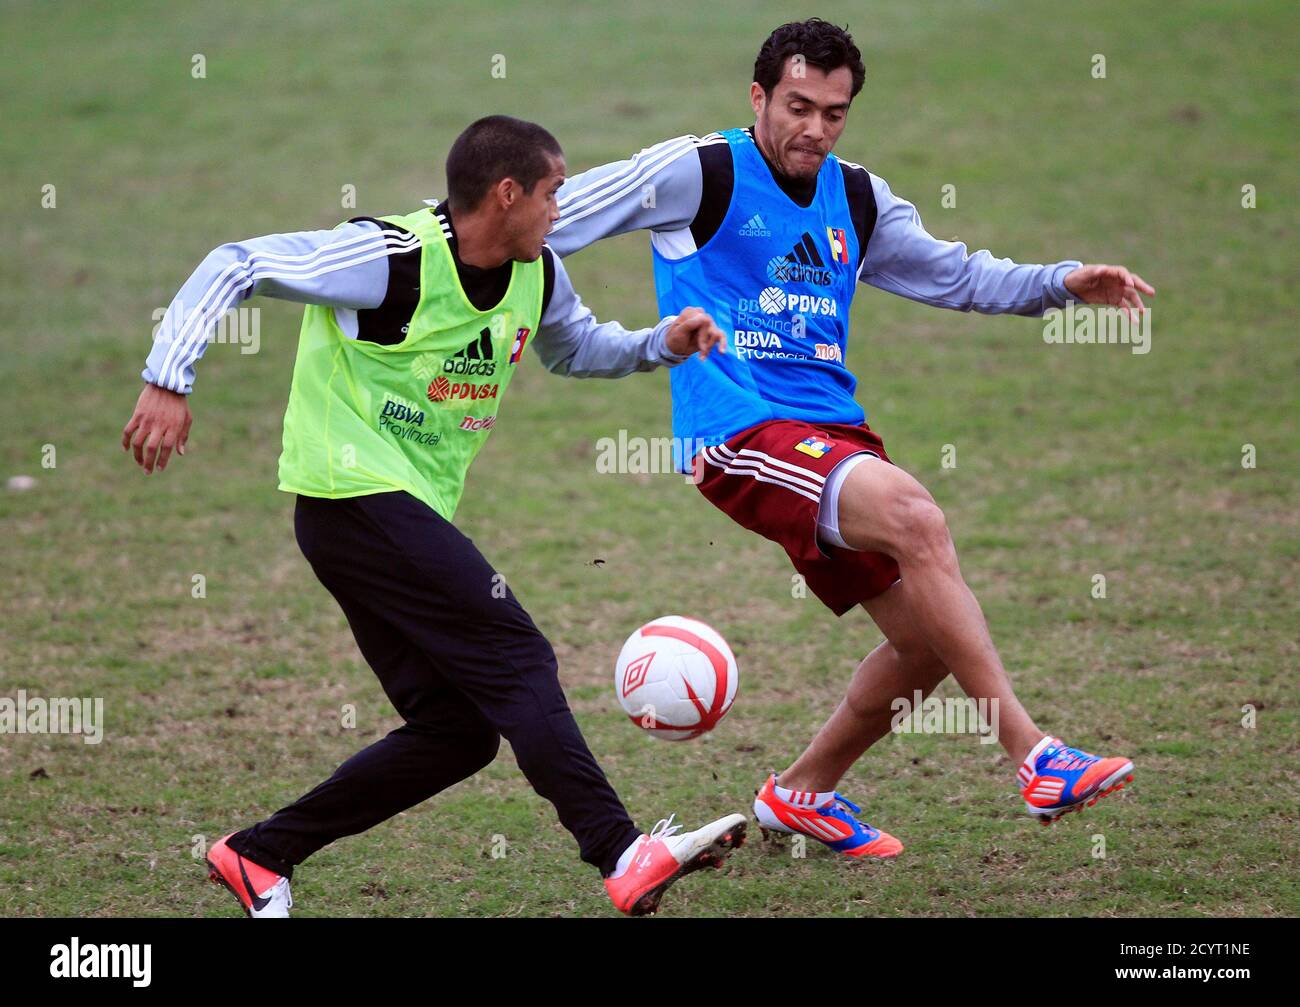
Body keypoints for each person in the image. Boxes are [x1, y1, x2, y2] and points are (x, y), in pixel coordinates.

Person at [546, 20, 1151, 857]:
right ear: (757, 97)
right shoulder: (701, 171)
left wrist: (1062, 283)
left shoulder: (857, 196)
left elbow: (958, 273)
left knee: (927, 643)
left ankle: (799, 792)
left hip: (832, 435)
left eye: (834, 113)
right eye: (798, 107)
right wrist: (449, 250)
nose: (815, 129)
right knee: (916, 515)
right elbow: (556, 216)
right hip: (739, 431)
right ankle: (1036, 755)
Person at [122, 114, 744, 916]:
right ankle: (621, 851)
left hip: (392, 519)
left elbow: (574, 347)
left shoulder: (538, 270)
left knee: (457, 731)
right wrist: (168, 378)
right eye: (554, 193)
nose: (563, 211)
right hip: (351, 498)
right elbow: (235, 262)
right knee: (518, 653)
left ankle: (258, 853)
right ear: (507, 193)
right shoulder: (388, 259)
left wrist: (661, 340)